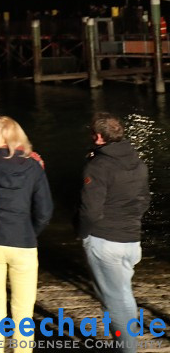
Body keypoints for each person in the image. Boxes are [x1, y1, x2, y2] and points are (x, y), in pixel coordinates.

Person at [0, 116, 53, 350]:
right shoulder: (33, 166)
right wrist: (30, 232)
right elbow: (45, 211)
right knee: (23, 312)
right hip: (23, 242)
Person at [77, 113, 150, 353]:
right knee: (123, 295)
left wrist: (83, 233)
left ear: (98, 137)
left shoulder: (98, 165)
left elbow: (90, 210)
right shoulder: (137, 162)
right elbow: (144, 200)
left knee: (116, 302)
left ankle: (126, 350)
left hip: (105, 241)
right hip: (130, 240)